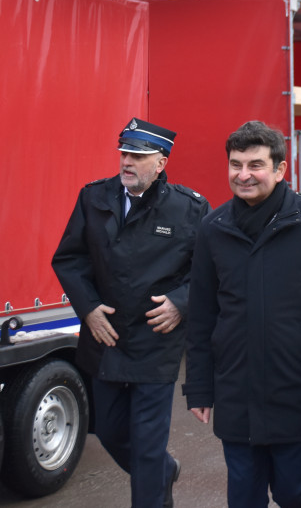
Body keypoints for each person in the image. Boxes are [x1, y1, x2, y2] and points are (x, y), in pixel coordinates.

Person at [184, 121, 301, 508]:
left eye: (255, 165)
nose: (243, 175)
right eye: (235, 164)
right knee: (243, 497)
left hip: (297, 391)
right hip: (236, 393)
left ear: (280, 169)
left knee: (297, 495)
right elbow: (203, 313)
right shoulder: (213, 227)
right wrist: (200, 387)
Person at [52, 117, 209, 508]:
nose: (127, 162)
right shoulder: (94, 198)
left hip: (155, 340)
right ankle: (161, 472)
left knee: (146, 445)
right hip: (105, 337)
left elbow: (211, 271)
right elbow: (70, 259)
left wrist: (181, 303)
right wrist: (87, 309)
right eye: (124, 153)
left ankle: (153, 489)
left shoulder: (188, 208)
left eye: (138, 155)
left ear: (160, 163)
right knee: (108, 431)